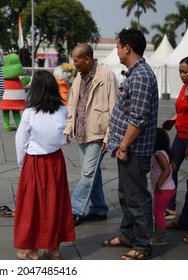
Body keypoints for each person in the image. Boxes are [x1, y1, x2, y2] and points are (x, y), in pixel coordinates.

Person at [102, 28, 158, 260]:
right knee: (126, 194)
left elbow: (138, 119)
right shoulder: (133, 73)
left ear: (127, 47)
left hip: (134, 149)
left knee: (137, 197)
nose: (116, 51)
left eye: (117, 46)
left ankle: (143, 244)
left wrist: (124, 146)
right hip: (126, 147)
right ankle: (128, 234)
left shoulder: (141, 76)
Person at [14, 70, 75, 260]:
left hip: (34, 162)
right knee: (54, 204)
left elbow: (20, 141)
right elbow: (63, 136)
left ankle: (32, 249)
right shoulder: (62, 110)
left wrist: (21, 162)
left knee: (31, 206)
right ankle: (53, 247)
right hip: (56, 161)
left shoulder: (30, 113)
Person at [63, 43, 117, 226]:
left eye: (76, 60)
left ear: (87, 59)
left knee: (87, 173)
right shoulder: (78, 77)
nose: (74, 63)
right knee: (93, 173)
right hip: (81, 133)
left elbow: (114, 108)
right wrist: (68, 128)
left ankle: (74, 210)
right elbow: (72, 105)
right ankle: (99, 208)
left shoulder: (106, 76)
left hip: (98, 134)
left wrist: (109, 136)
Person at [161, 56, 188, 220]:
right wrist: (173, 120)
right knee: (170, 167)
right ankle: (171, 206)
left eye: (185, 71)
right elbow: (183, 110)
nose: (182, 75)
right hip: (179, 135)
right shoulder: (184, 88)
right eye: (180, 72)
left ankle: (186, 219)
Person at [150, 128, 176, 246]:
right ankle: (158, 233)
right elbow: (173, 168)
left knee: (158, 213)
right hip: (170, 188)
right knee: (159, 211)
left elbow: (166, 170)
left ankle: (160, 237)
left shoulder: (158, 154)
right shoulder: (166, 152)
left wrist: (158, 184)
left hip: (163, 189)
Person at [0, 53, 26, 132]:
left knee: (5, 111)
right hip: (16, 99)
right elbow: (23, 83)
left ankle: (6, 125)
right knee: (16, 111)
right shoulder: (17, 80)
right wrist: (26, 80)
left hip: (5, 99)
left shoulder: (3, 80)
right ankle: (19, 125)